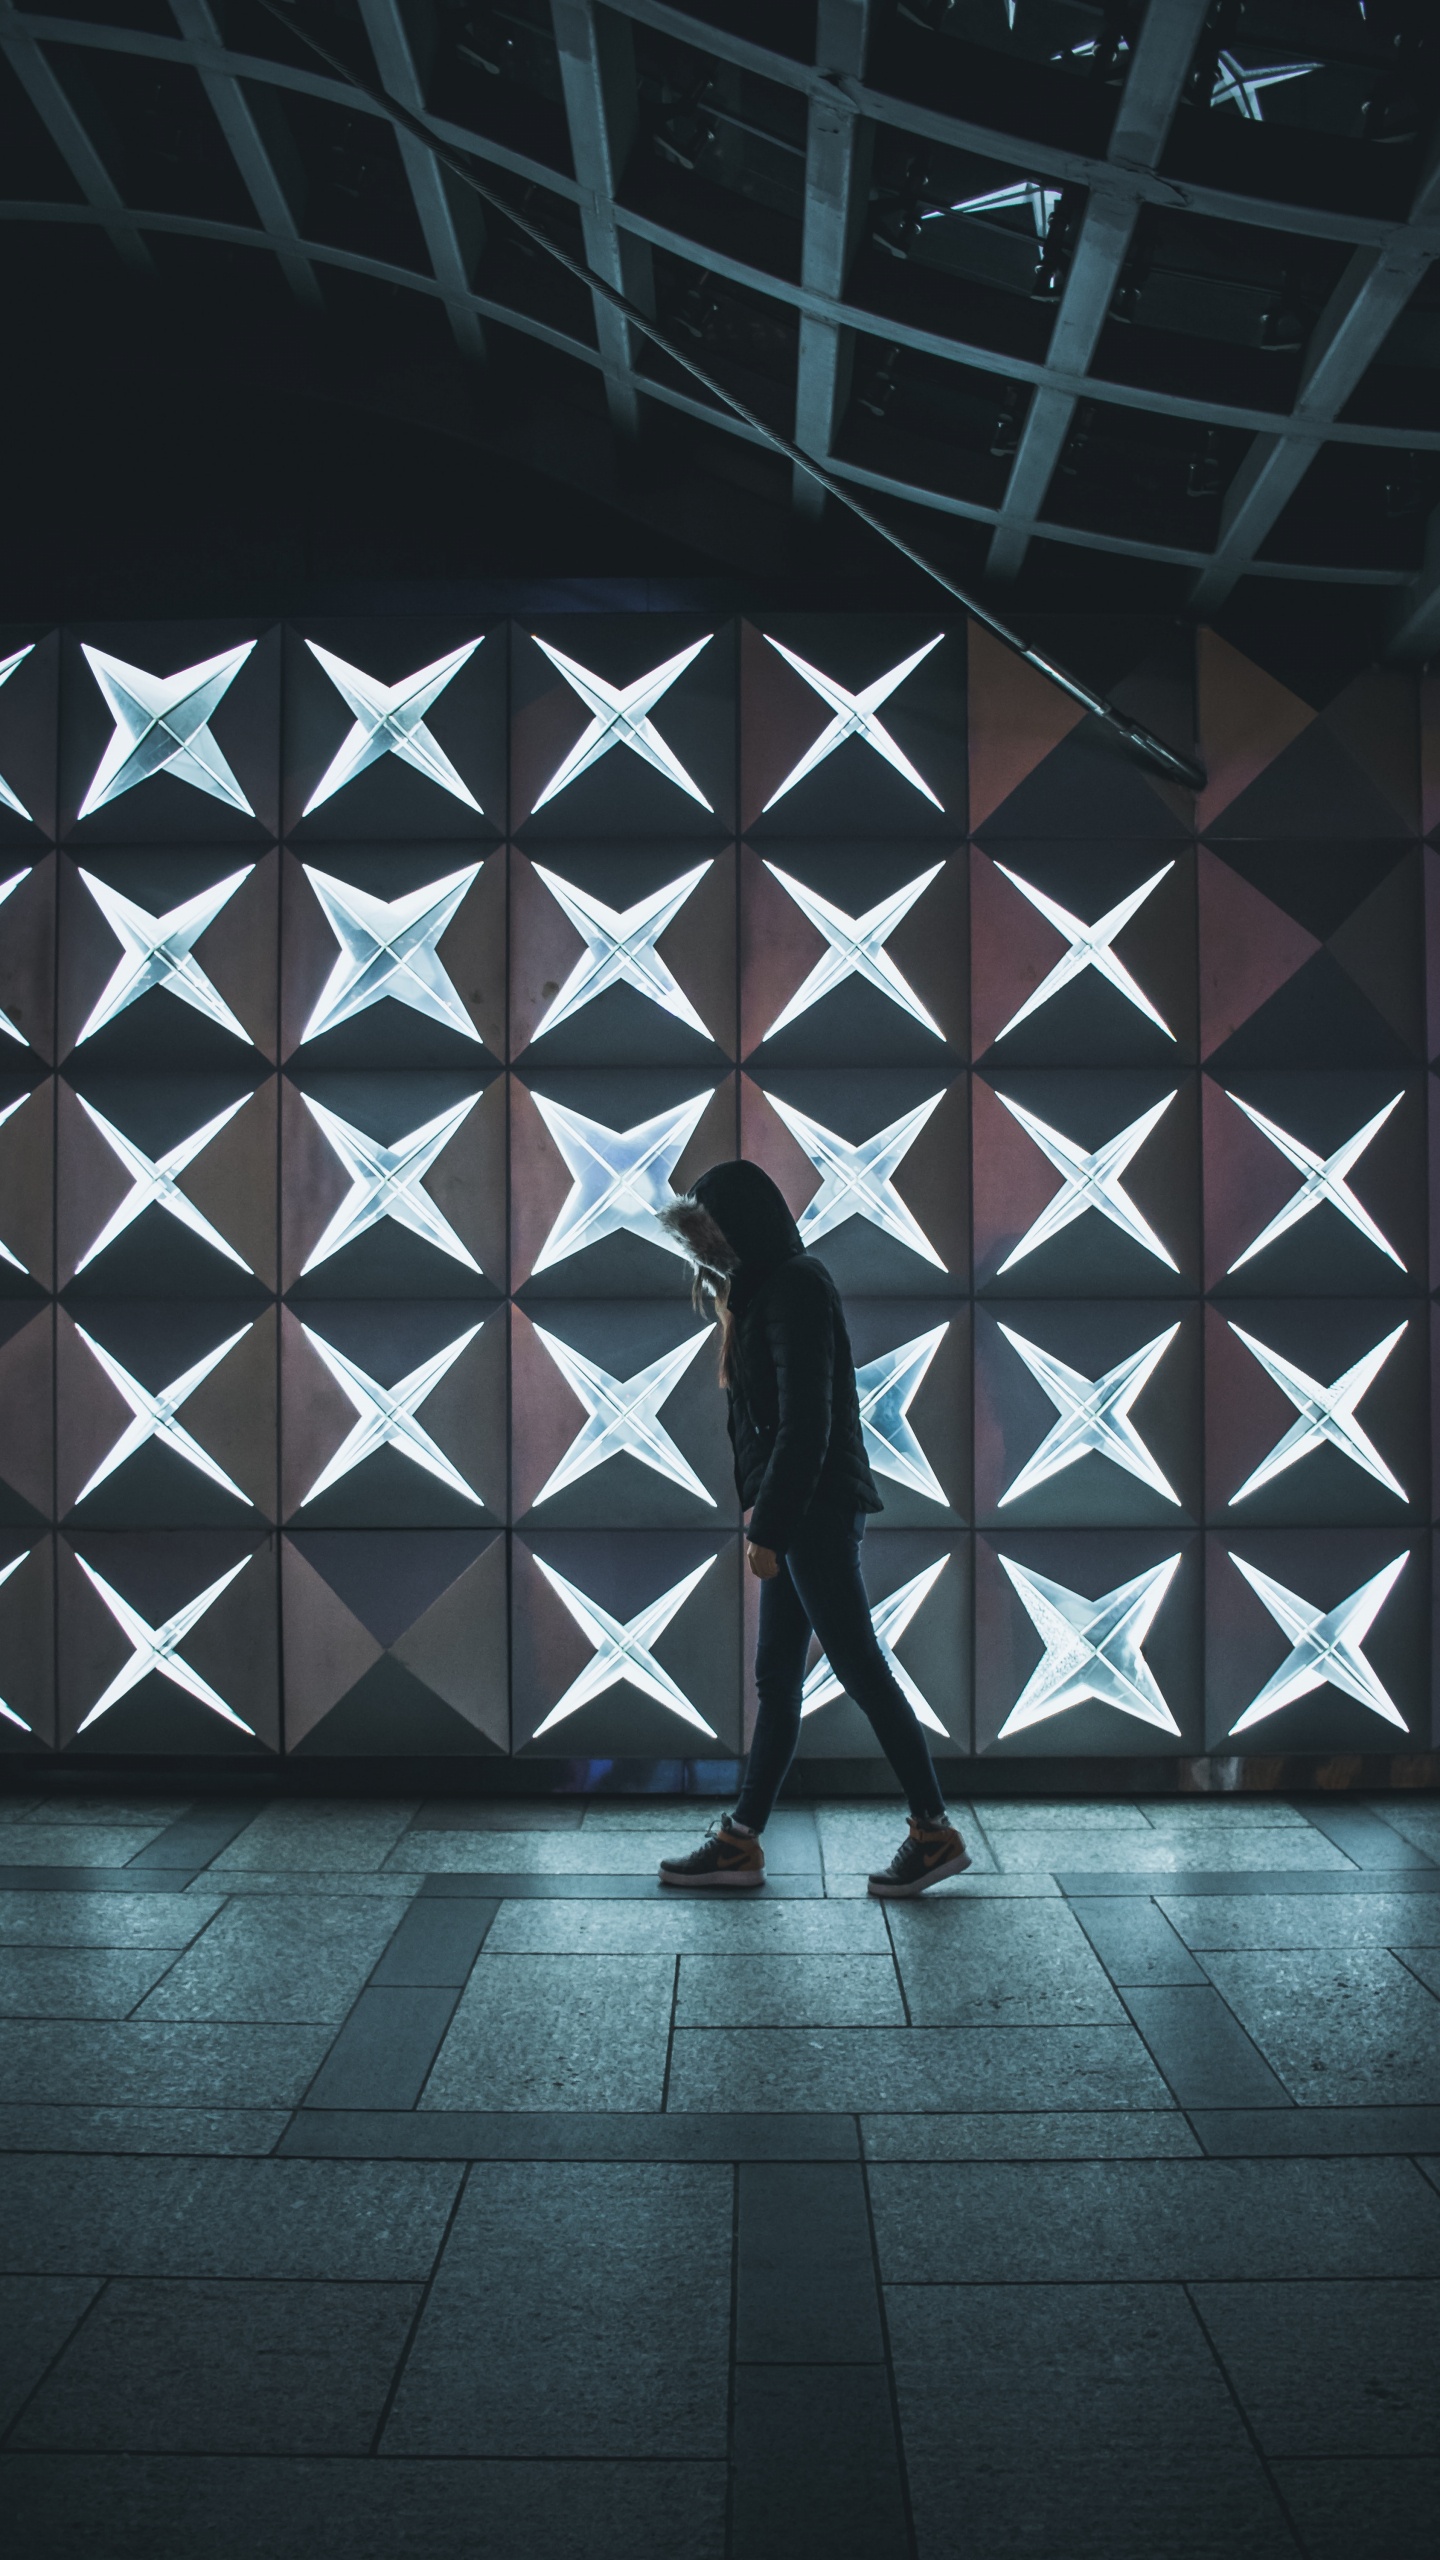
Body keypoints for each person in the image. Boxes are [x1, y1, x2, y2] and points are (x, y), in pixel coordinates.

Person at [654, 1159, 969, 1899]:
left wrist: (770, 1526)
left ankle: (934, 1831)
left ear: (743, 1226)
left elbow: (806, 1423)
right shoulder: (765, 1290)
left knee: (858, 1665)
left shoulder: (796, 1285)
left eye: (713, 1237)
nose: (708, 1257)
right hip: (802, 1509)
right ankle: (741, 1841)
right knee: (779, 1678)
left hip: (812, 1510)